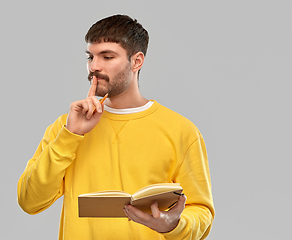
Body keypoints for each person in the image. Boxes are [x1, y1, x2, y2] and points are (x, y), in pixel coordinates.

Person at [17, 14, 214, 239]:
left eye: (107, 57)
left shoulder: (181, 131)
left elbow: (201, 212)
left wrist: (174, 225)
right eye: (90, 57)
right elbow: (29, 201)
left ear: (137, 61)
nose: (94, 66)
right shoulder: (65, 127)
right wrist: (70, 135)